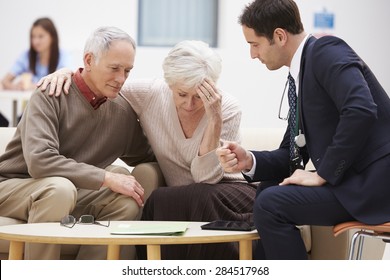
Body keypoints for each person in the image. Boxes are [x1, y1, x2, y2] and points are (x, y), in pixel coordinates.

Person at [38, 40, 257, 260]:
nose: (189, 104)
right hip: (183, 198)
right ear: (169, 84)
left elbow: (205, 178)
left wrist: (214, 119)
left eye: (198, 96)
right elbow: (105, 85)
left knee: (176, 198)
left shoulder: (226, 108)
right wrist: (68, 73)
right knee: (163, 200)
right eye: (181, 94)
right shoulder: (152, 93)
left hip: (227, 195)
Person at [216, 0, 390, 260]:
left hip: (375, 188)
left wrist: (323, 173)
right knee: (269, 188)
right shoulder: (301, 75)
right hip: (355, 184)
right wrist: (248, 159)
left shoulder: (327, 52)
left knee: (272, 205)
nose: (252, 54)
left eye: (254, 44)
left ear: (279, 36)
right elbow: (292, 154)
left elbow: (361, 109)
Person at [0, 26, 154, 260]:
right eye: (114, 68)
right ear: (89, 60)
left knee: (127, 199)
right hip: (14, 185)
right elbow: (40, 161)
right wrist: (106, 177)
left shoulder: (122, 112)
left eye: (127, 71)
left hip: (70, 191)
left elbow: (149, 155)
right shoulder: (50, 93)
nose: (121, 79)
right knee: (59, 189)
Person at [0, 17, 72, 126]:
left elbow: (63, 83)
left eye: (40, 36)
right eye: (33, 37)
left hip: (52, 111)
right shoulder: (27, 56)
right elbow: (5, 81)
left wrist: (34, 86)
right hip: (30, 110)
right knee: (16, 124)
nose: (35, 41)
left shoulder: (63, 56)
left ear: (52, 37)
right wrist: (16, 87)